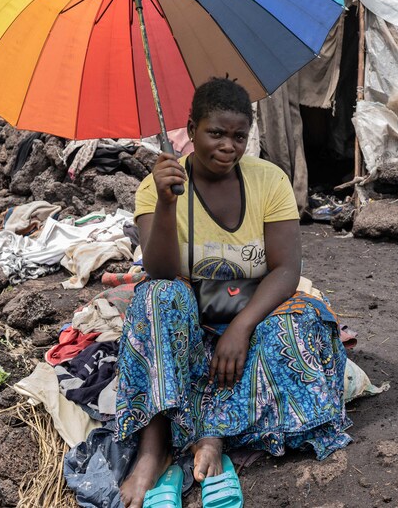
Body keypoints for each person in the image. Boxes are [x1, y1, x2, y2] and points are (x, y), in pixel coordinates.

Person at [115, 77, 350, 507]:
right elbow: (161, 271)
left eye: (239, 136)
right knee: (156, 298)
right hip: (189, 310)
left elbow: (286, 270)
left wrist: (241, 326)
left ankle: (212, 433)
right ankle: (155, 446)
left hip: (250, 306)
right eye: (216, 133)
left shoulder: (268, 181)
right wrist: (167, 205)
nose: (228, 145)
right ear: (191, 128)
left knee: (306, 326)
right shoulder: (157, 186)